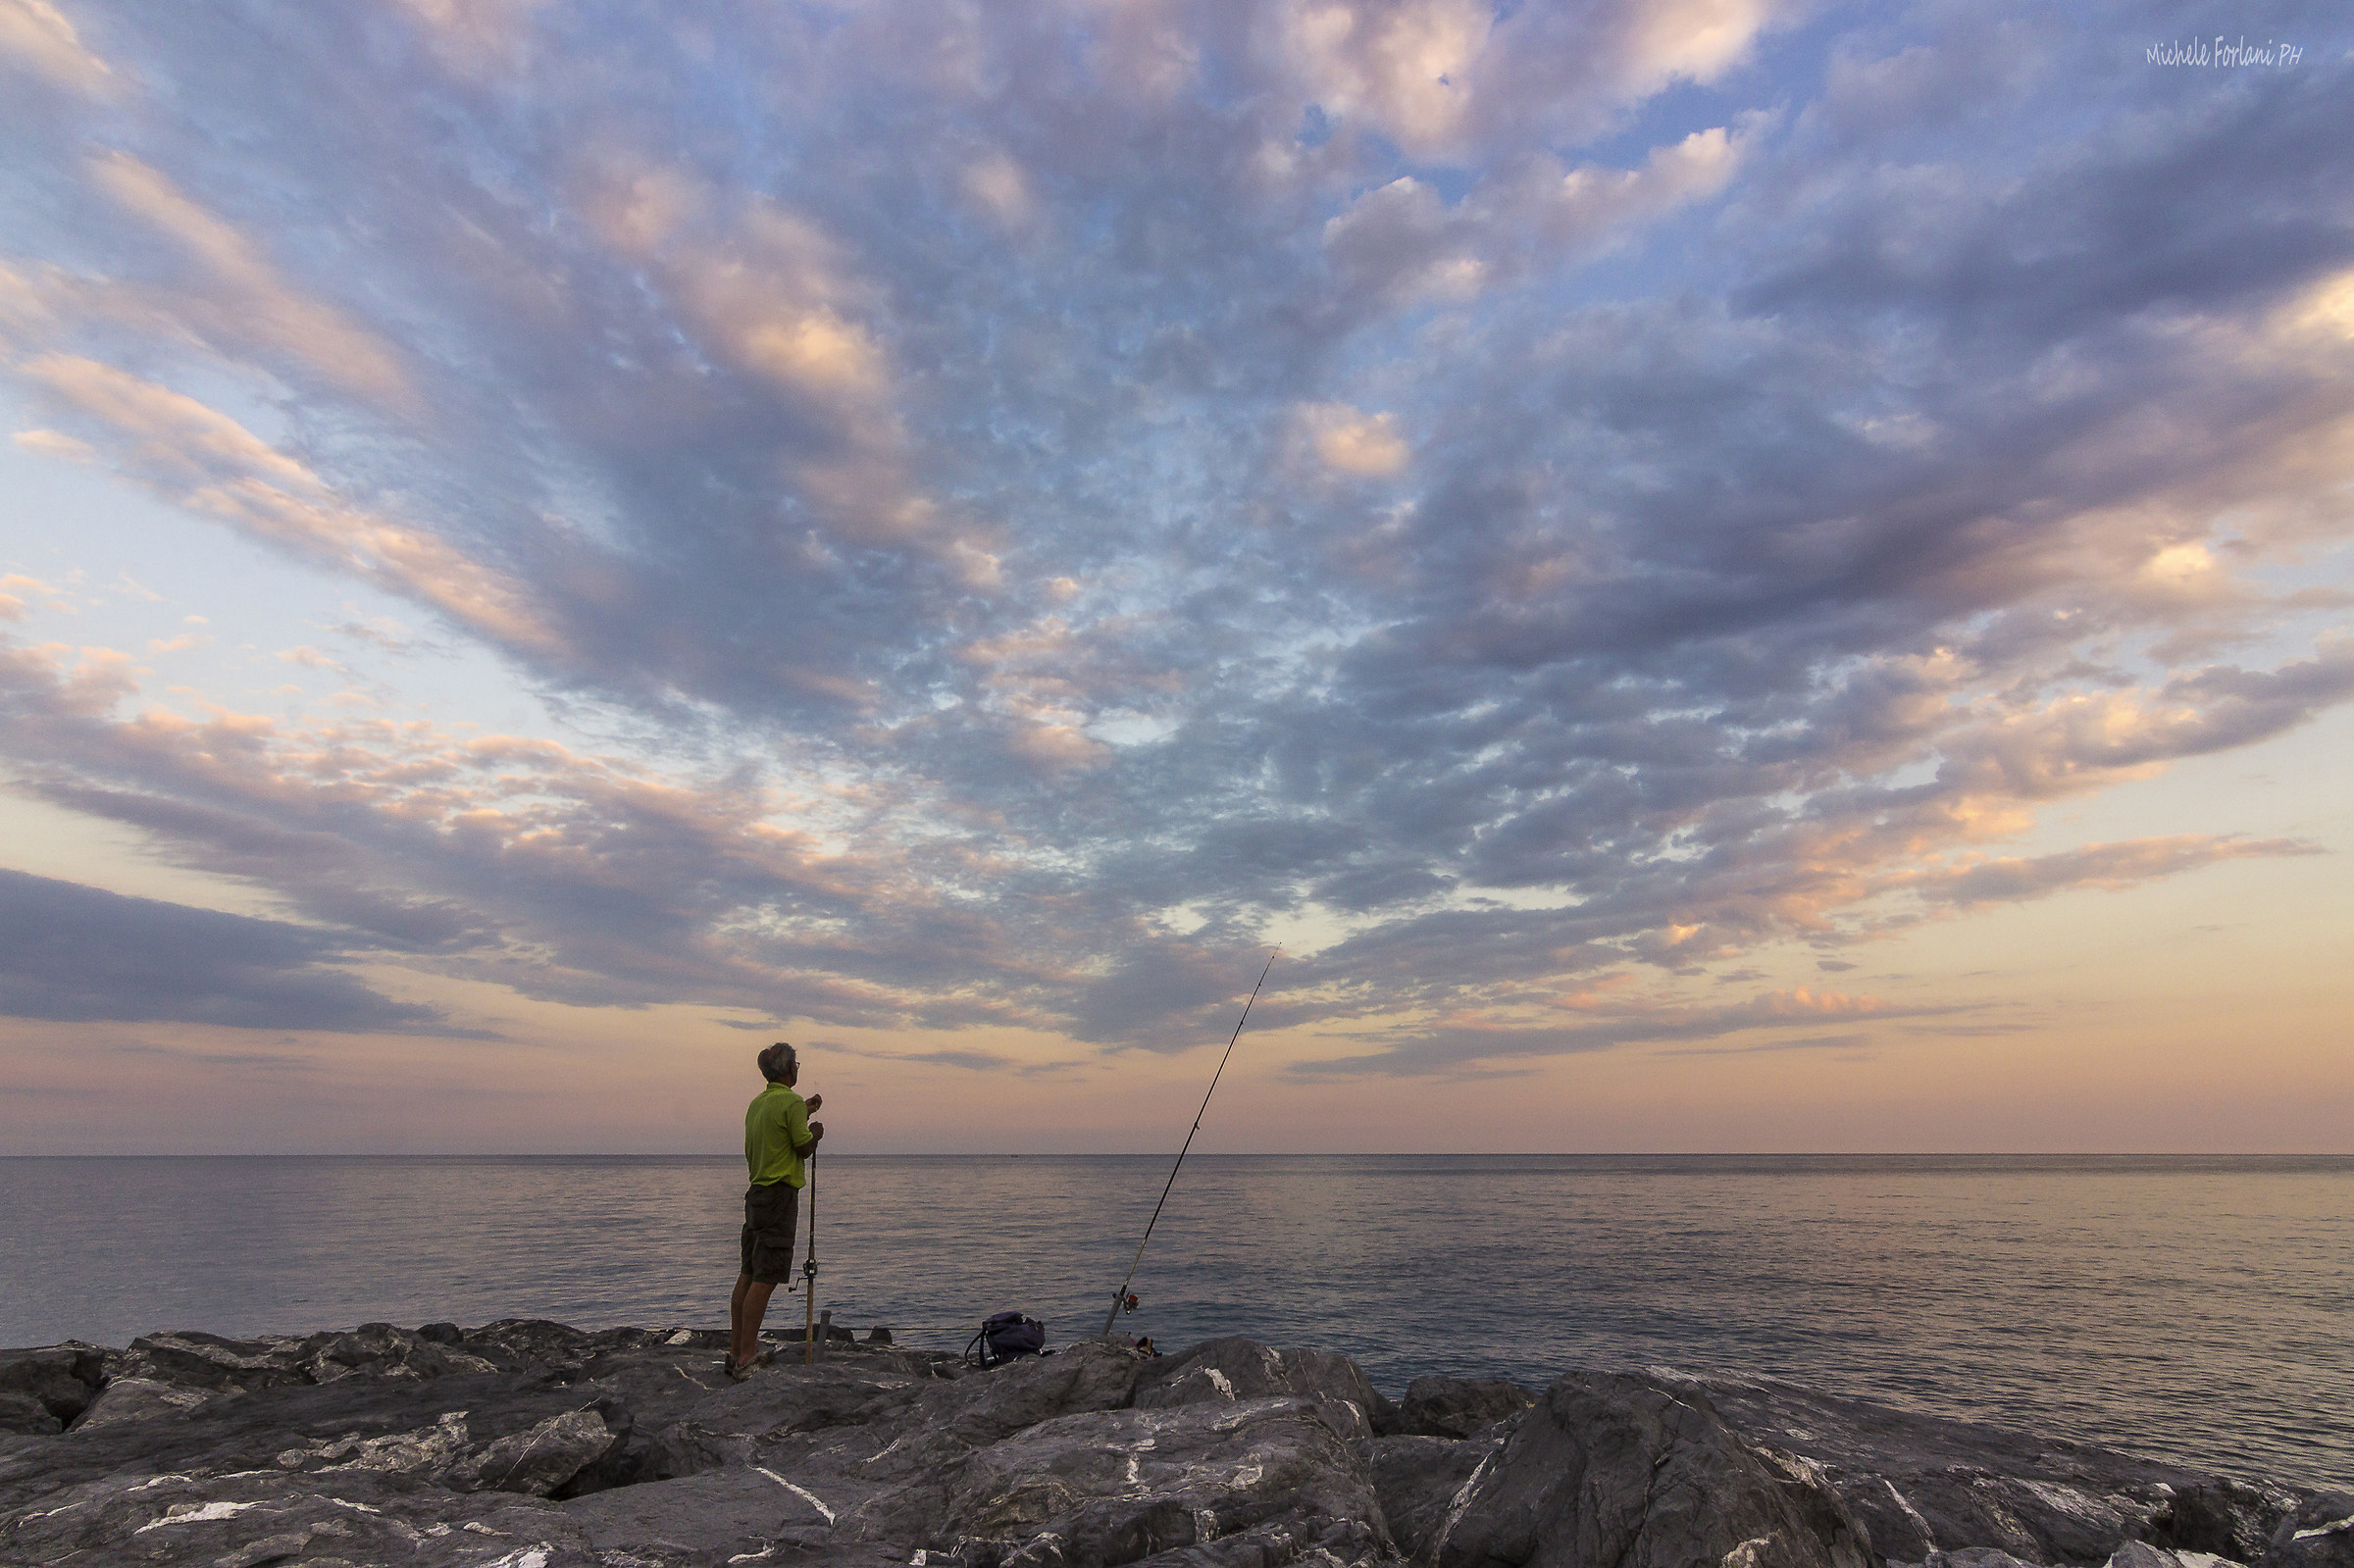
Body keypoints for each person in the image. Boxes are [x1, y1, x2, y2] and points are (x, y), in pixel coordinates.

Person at [728, 1040, 823, 1379]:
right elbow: (802, 1148)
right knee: (766, 1277)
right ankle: (747, 1358)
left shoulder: (758, 1104)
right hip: (779, 1197)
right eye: (796, 1064)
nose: (798, 1069)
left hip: (756, 1193)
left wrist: (805, 1111)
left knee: (749, 1271)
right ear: (787, 1069)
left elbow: (778, 1130)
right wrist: (814, 1132)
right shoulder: (791, 1102)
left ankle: (736, 1350)